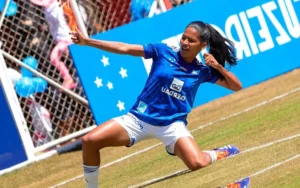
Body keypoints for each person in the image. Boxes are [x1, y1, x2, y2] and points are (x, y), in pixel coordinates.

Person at [70, 21, 243, 188]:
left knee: (197, 163)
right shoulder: (163, 51)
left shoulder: (202, 71)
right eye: (183, 37)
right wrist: (87, 41)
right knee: (89, 140)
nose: (185, 42)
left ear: (203, 45)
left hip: (172, 126)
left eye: (191, 40)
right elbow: (124, 48)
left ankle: (219, 152)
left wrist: (218, 67)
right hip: (138, 120)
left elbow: (236, 86)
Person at [30, 0, 76, 90]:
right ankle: (68, 79)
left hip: (65, 38)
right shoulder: (47, 9)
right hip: (60, 39)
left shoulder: (55, 8)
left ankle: (68, 79)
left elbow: (59, 19)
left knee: (54, 57)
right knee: (58, 58)